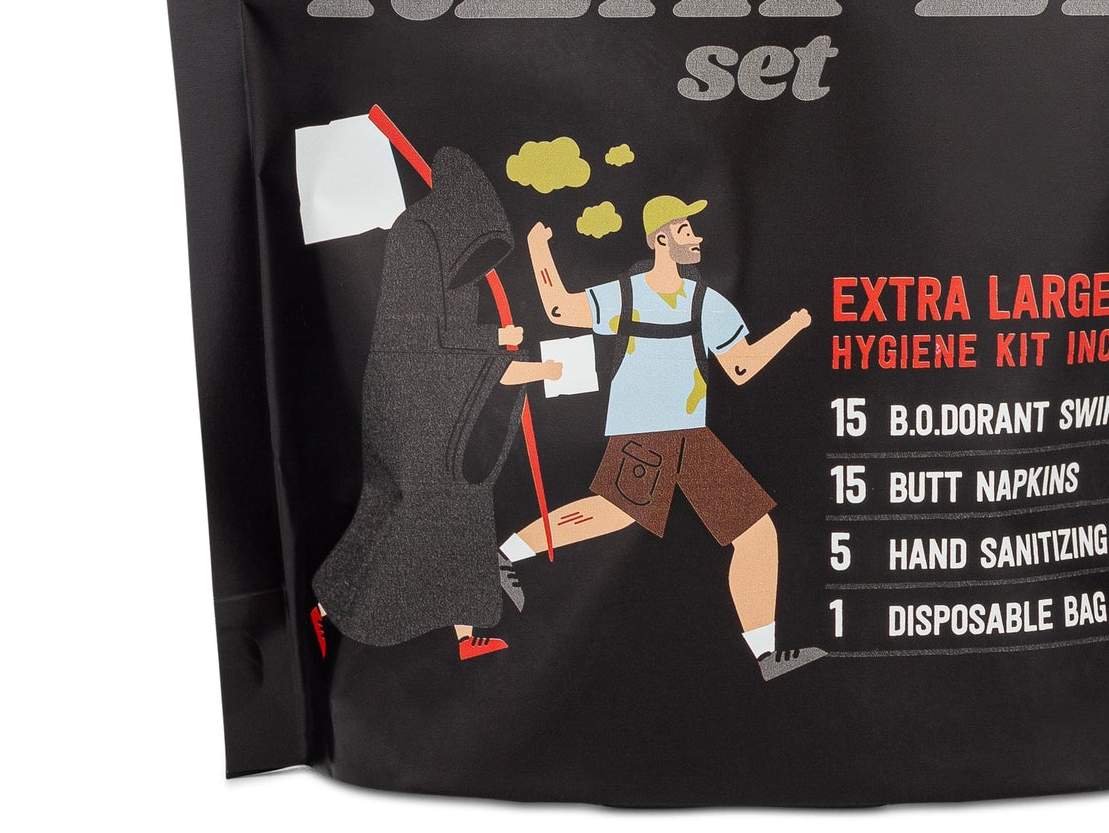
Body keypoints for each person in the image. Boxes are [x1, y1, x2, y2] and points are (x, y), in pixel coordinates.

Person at [497, 193, 824, 680]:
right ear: (661, 239)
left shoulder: (706, 302)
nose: (697, 237)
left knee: (754, 533)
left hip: (689, 433)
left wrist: (790, 329)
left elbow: (739, 367)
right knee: (617, 514)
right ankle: (505, 556)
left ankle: (766, 657)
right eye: (686, 230)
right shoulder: (626, 296)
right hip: (645, 433)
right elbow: (561, 310)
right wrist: (537, 248)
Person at [311, 147, 561, 664]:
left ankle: (465, 634)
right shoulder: (417, 236)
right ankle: (328, 609)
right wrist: (503, 351)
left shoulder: (451, 254)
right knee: (403, 510)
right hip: (407, 402)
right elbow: (415, 336)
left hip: (447, 407)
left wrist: (496, 342)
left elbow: (452, 333)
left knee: (465, 508)